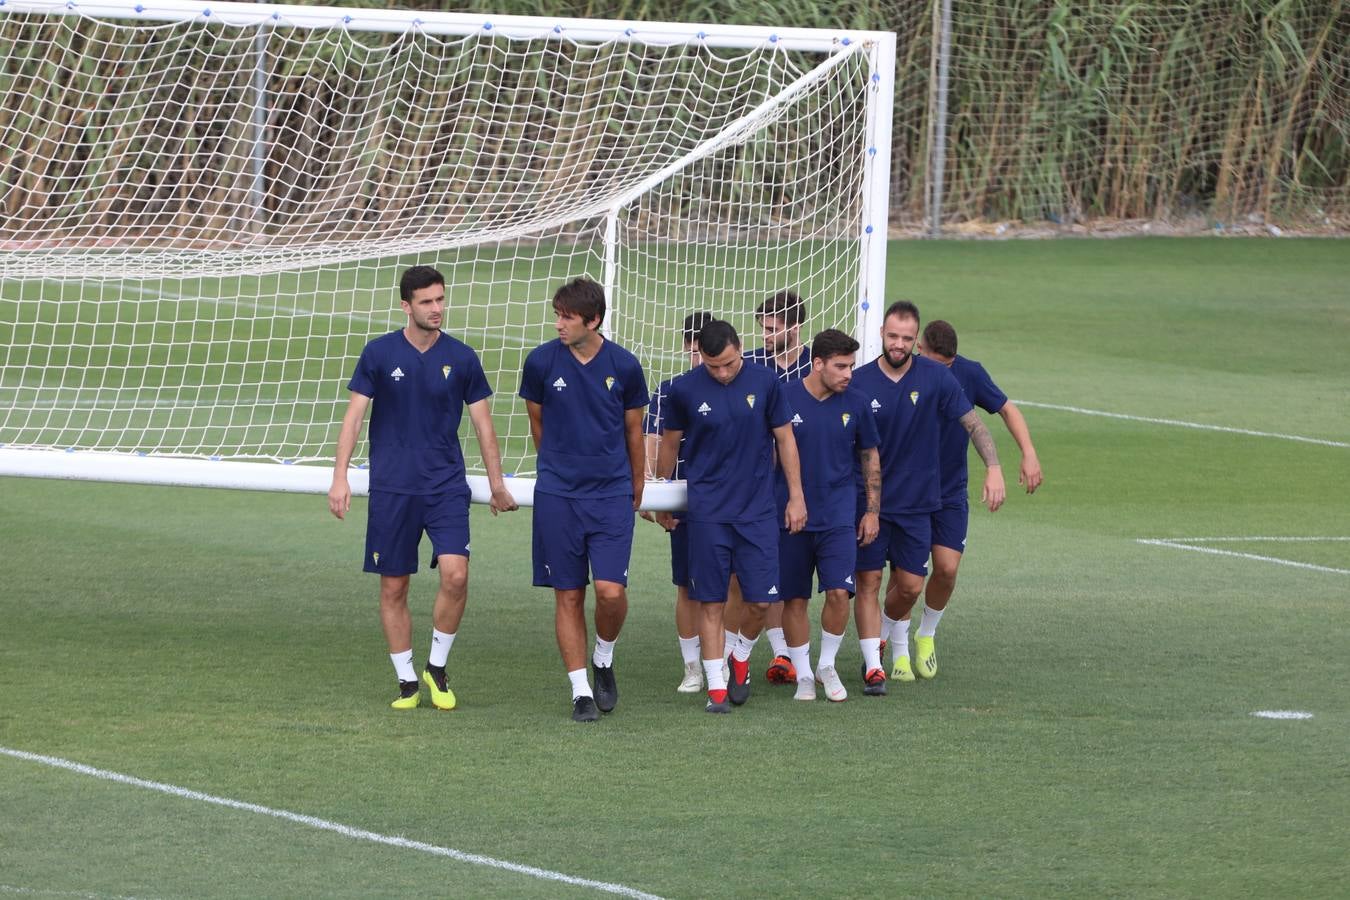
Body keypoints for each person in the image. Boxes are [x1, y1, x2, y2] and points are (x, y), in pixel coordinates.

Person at [328, 264, 517, 711]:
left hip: (445, 486)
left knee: (456, 574)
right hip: (393, 488)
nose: (437, 309)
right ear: (406, 306)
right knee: (394, 588)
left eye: (440, 299)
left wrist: (496, 483)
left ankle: (437, 666)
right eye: (427, 302)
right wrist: (340, 476)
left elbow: (484, 424)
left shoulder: (463, 357)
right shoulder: (378, 353)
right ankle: (407, 681)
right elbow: (354, 416)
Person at [851, 301, 1005, 694]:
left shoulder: (936, 377)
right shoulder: (860, 381)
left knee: (910, 587)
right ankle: (873, 667)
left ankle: (888, 634)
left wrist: (994, 467)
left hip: (918, 506)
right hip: (872, 506)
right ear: (882, 336)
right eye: (892, 336)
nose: (898, 344)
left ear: (914, 340)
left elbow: (973, 424)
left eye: (906, 338)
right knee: (868, 582)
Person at [656, 319, 806, 713]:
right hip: (706, 513)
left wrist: (796, 496)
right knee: (709, 600)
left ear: (740, 349)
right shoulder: (683, 389)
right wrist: (660, 497)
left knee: (759, 602)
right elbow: (669, 447)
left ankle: (740, 656)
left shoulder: (766, 382)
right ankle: (716, 687)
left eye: (728, 364)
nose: (721, 373)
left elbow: (786, 439)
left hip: (757, 512)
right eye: (712, 366)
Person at [519, 277, 649, 723]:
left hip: (611, 494)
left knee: (611, 593)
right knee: (568, 595)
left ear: (593, 320)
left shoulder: (625, 366)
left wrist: (636, 484)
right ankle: (580, 691)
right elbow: (537, 423)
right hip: (559, 496)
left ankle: (604, 657)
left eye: (567, 317)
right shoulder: (539, 362)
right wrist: (557, 469)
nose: (558, 324)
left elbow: (634, 431)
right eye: (557, 315)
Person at [906, 319, 1043, 678]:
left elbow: (1006, 409)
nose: (943, 374)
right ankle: (893, 640)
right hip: (908, 492)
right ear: (920, 350)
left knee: (947, 569)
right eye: (937, 366)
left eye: (948, 367)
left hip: (950, 491)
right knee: (907, 578)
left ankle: (926, 634)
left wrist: (1028, 453)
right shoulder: (904, 372)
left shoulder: (968, 373)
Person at [775, 329, 881, 702]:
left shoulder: (858, 403)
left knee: (839, 593)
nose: (848, 373)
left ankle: (827, 665)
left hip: (839, 516)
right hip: (792, 516)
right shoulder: (784, 398)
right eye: (840, 366)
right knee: (795, 600)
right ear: (817, 363)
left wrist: (871, 511)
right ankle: (803, 674)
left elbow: (870, 457)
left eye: (851, 366)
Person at [733, 289, 812, 685]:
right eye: (762, 329)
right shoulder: (748, 366)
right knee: (755, 573)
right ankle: (774, 653)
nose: (765, 335)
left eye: (773, 329)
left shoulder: (816, 366)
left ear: (795, 328)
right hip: (756, 486)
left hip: (803, 483)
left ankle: (788, 652)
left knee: (792, 574)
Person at [642, 310, 713, 693]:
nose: (700, 358)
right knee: (687, 586)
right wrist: (655, 496)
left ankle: (730, 657)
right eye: (695, 350)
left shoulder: (734, 385)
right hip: (685, 503)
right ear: (687, 348)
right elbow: (652, 444)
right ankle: (692, 667)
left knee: (732, 584)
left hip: (729, 501)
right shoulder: (669, 391)